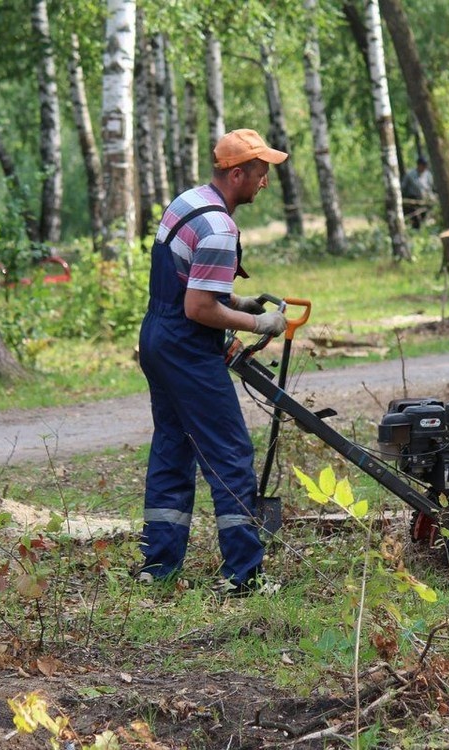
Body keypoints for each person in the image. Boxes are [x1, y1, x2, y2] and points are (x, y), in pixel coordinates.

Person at [137, 128, 289, 596]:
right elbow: (199, 308)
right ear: (238, 173)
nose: (265, 182)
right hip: (187, 345)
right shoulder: (221, 229)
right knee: (229, 453)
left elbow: (190, 283)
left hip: (157, 338)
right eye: (261, 173)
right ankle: (243, 574)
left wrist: (238, 301)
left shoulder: (187, 202)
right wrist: (261, 325)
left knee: (172, 446)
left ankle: (158, 565)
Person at [402, 156, 436, 229]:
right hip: (412, 200)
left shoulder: (428, 175)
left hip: (425, 200)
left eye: (425, 165)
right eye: (423, 165)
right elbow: (403, 187)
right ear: (418, 165)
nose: (424, 167)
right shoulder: (410, 175)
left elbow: (430, 188)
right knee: (415, 219)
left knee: (425, 216)